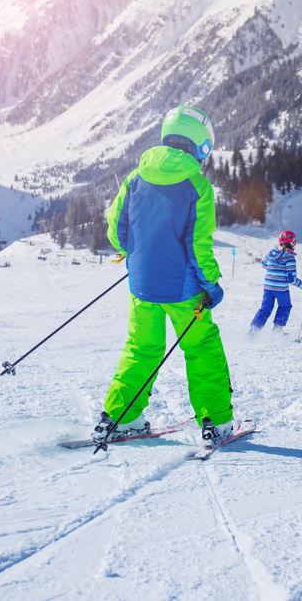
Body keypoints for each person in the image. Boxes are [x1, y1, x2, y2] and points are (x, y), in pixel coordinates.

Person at [93, 105, 233, 446]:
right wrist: (211, 285)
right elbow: (199, 247)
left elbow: (116, 233)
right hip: (184, 290)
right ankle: (216, 420)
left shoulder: (134, 178)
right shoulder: (198, 186)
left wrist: (141, 255)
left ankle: (121, 418)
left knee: (141, 348)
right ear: (201, 145)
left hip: (141, 286)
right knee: (201, 347)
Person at [249, 230, 302, 335]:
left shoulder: (271, 252)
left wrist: (274, 269)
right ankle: (277, 331)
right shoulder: (289, 258)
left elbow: (264, 264)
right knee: (285, 307)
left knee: (265, 309)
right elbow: (291, 279)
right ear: (292, 243)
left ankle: (253, 332)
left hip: (268, 288)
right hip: (281, 289)